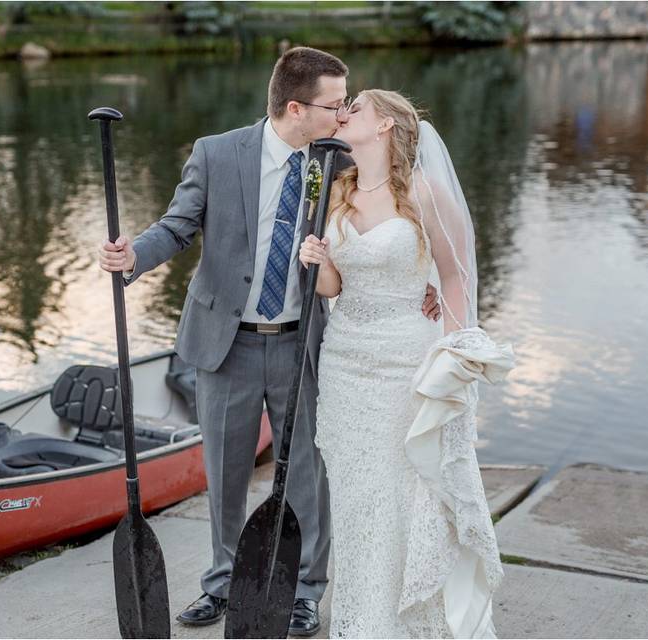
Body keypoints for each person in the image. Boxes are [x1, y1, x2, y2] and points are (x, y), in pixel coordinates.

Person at [98, 50, 442, 636]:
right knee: (226, 469)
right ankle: (224, 582)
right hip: (224, 343)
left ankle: (305, 588)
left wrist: (426, 280)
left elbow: (399, 210)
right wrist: (134, 258)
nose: (343, 114)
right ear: (294, 107)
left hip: (302, 342)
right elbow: (178, 226)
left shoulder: (338, 163)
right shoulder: (216, 152)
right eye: (335, 105)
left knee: (307, 470)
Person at [299, 90, 516, 638]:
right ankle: (364, 621)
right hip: (345, 364)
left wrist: (453, 351)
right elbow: (333, 288)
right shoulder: (338, 190)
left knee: (406, 490)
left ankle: (416, 620)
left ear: (387, 125)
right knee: (356, 497)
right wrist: (316, 261)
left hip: (405, 363)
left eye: (357, 107)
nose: (343, 112)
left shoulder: (423, 191)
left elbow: (456, 276)